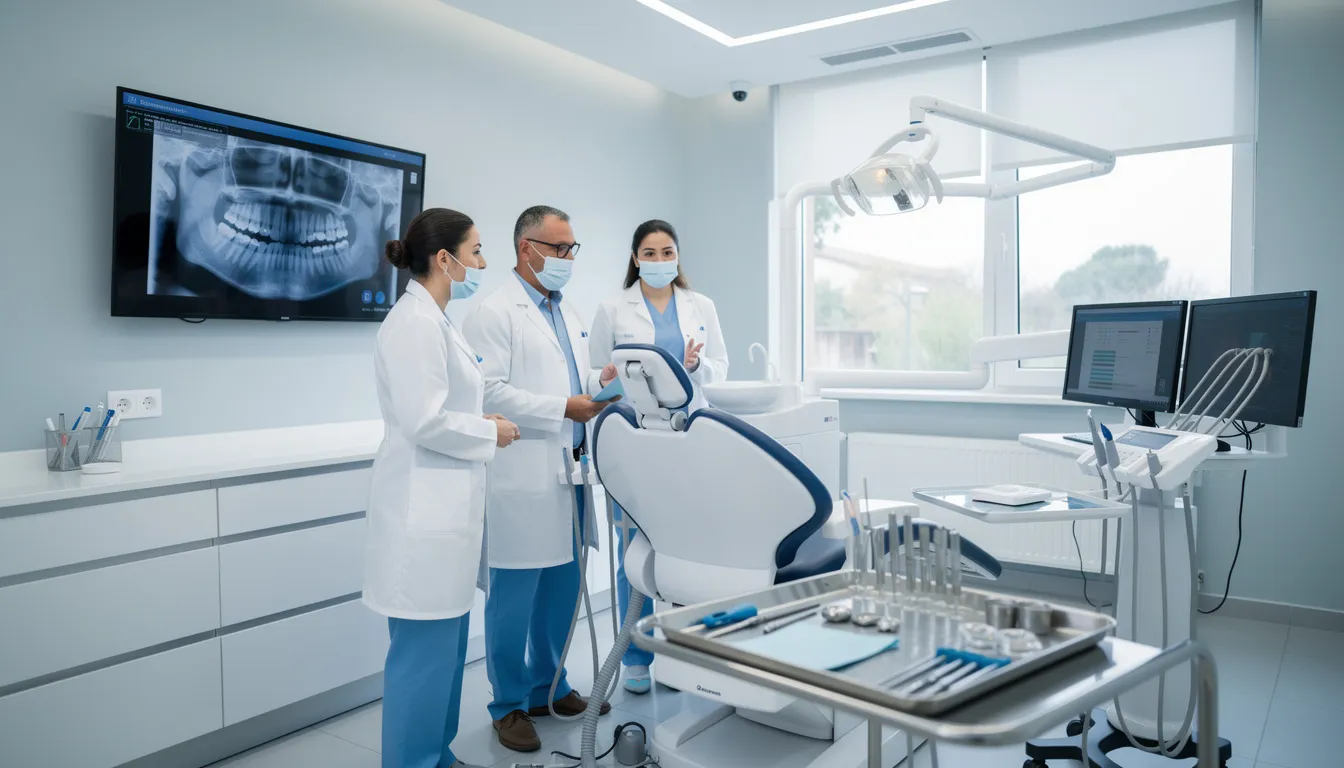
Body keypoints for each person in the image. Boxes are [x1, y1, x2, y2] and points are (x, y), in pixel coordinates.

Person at [364, 207, 520, 768]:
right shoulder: (412, 325)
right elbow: (424, 420)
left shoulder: (438, 320)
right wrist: (491, 430)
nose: (482, 263)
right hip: (420, 523)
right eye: (476, 251)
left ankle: (437, 755)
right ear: (444, 259)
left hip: (446, 517)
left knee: (447, 654)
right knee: (422, 660)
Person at [463, 205, 619, 754]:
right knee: (514, 598)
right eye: (559, 249)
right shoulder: (493, 312)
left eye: (572, 249)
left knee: (562, 589)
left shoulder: (565, 310)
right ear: (527, 249)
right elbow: (487, 391)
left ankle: (547, 686)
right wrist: (563, 406)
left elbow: (571, 377)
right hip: (522, 475)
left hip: (571, 472)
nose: (568, 259)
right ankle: (507, 705)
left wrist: (601, 382)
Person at [588, 219, 728, 693]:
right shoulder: (613, 308)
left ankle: (686, 651)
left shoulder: (701, 305)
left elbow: (721, 368)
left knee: (688, 548)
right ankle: (636, 658)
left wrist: (696, 365)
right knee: (637, 550)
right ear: (635, 258)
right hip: (635, 442)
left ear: (678, 257)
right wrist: (607, 374)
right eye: (650, 253)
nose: (659, 261)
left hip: (689, 438)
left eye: (667, 252)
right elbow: (595, 376)